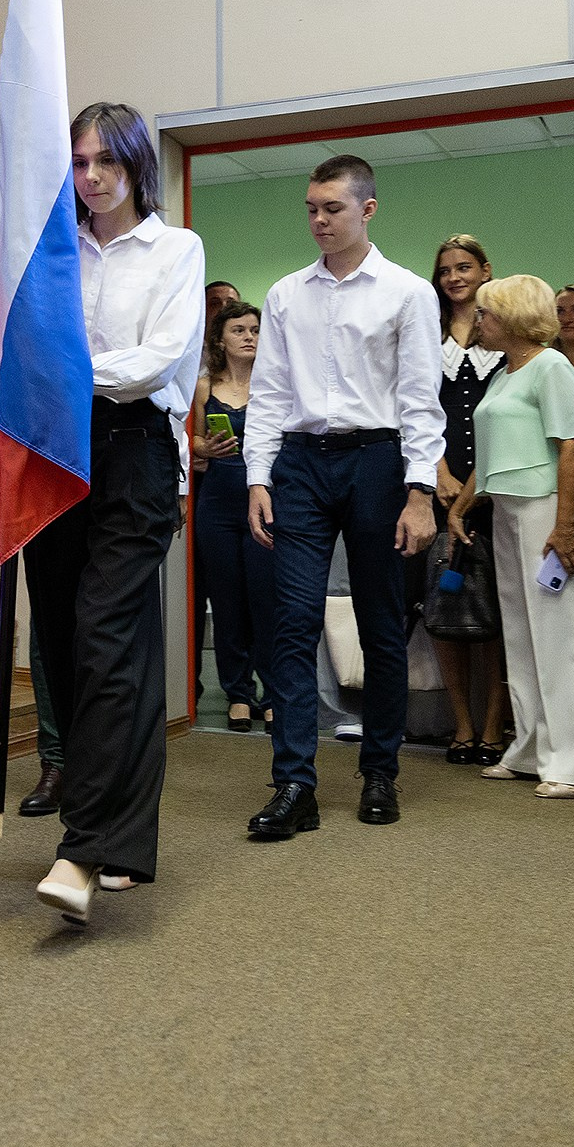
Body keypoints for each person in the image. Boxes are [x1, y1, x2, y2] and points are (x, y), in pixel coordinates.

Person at [25, 103, 205, 924]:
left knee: (106, 635)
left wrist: (69, 369)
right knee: (69, 643)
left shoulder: (175, 248)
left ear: (136, 164)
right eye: (78, 162)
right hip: (55, 451)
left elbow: (159, 359)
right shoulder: (52, 250)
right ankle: (121, 837)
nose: (90, 177)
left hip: (133, 453)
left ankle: (84, 845)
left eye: (105, 161)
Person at [242, 154, 443, 839]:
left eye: (331, 207)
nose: (318, 220)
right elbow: (267, 393)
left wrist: (420, 494)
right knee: (291, 622)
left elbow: (421, 401)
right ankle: (293, 782)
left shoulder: (407, 292)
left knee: (381, 623)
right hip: (299, 464)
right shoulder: (283, 294)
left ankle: (379, 769)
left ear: (367, 209)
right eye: (310, 208)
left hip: (377, 463)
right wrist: (257, 477)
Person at [446, 276, 574, 797]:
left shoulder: (551, 366)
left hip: (544, 511)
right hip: (505, 512)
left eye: (485, 314)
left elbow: (571, 448)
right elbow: (490, 455)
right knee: (519, 635)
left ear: (512, 316)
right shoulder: (503, 375)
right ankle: (532, 749)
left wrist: (565, 525)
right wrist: (462, 506)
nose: (478, 323)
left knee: (562, 637)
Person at [430, 234, 509, 766]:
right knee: (444, 606)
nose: (454, 277)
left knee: (499, 613)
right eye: (445, 270)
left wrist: (476, 482)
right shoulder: (425, 333)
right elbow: (411, 407)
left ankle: (492, 726)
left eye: (464, 267)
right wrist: (435, 471)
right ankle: (460, 723)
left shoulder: (505, 333)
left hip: (498, 485)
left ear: (485, 271)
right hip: (436, 488)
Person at [192, 300, 271, 732]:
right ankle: (238, 694)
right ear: (221, 340)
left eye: (255, 329)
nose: (248, 336)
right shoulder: (205, 386)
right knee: (225, 603)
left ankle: (274, 693)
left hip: (265, 499)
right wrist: (202, 448)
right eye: (238, 329)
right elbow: (194, 442)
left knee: (268, 600)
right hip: (217, 500)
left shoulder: (277, 381)